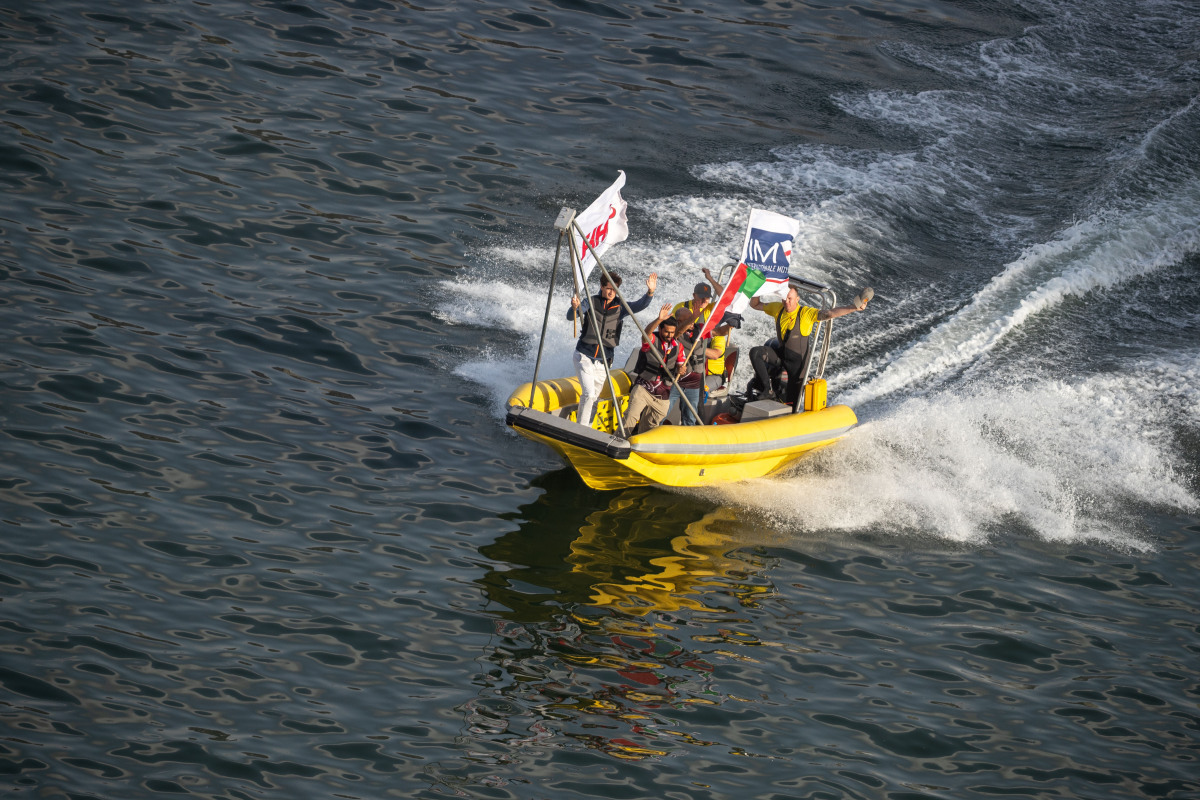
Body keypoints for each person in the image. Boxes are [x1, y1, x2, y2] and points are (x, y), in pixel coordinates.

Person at [747, 285, 869, 407]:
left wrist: (853, 307)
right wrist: (757, 287)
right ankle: (767, 391)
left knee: (791, 405)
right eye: (784, 298)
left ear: (797, 299)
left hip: (797, 366)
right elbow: (755, 304)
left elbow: (830, 313)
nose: (787, 301)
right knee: (755, 353)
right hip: (781, 356)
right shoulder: (777, 308)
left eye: (790, 298)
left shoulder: (806, 314)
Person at [567, 270, 658, 427]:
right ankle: (580, 428)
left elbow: (640, 305)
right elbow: (571, 316)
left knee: (594, 397)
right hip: (584, 356)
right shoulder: (590, 301)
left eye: (614, 289)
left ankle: (587, 426)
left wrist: (650, 292)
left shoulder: (620, 307)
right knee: (589, 394)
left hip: (604, 360)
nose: (611, 292)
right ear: (602, 287)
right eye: (608, 288)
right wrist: (574, 308)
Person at [669, 268, 730, 424]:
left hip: (699, 368)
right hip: (680, 364)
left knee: (696, 401)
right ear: (694, 295)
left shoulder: (710, 311)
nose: (704, 300)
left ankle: (696, 427)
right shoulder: (681, 308)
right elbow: (673, 332)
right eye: (701, 297)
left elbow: (725, 298)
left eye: (707, 298)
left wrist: (710, 278)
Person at [622, 305, 686, 436]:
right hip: (643, 389)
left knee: (650, 428)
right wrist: (659, 319)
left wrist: (681, 369)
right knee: (630, 419)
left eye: (672, 332)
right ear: (660, 329)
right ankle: (618, 441)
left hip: (663, 394)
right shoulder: (651, 340)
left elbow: (681, 366)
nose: (670, 335)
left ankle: (641, 445)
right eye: (667, 332)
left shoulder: (678, 347)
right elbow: (645, 334)